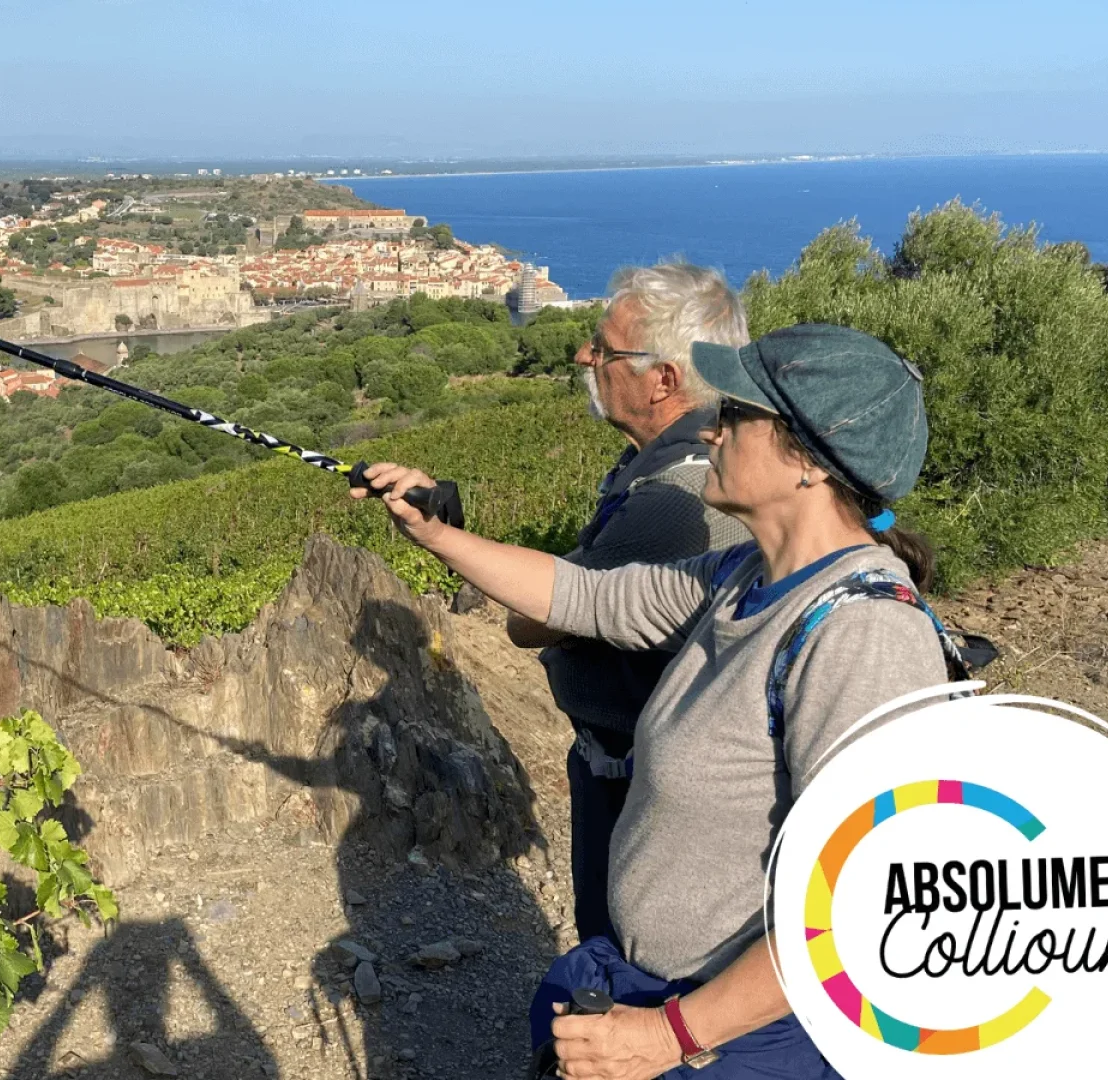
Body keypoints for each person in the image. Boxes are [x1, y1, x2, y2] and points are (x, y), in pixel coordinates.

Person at [354, 323, 958, 1078]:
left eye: (737, 414)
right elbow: (582, 597)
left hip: (743, 1039)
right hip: (667, 1002)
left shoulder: (864, 637)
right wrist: (437, 533)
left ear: (806, 460)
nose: (712, 425)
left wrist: (670, 1035)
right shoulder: (743, 575)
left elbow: (871, 901)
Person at [514, 263, 753, 944]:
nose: (584, 357)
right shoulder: (688, 464)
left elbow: (532, 621)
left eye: (604, 349)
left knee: (619, 954)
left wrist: (448, 539)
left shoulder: (669, 502)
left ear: (665, 380)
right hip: (649, 772)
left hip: (634, 782)